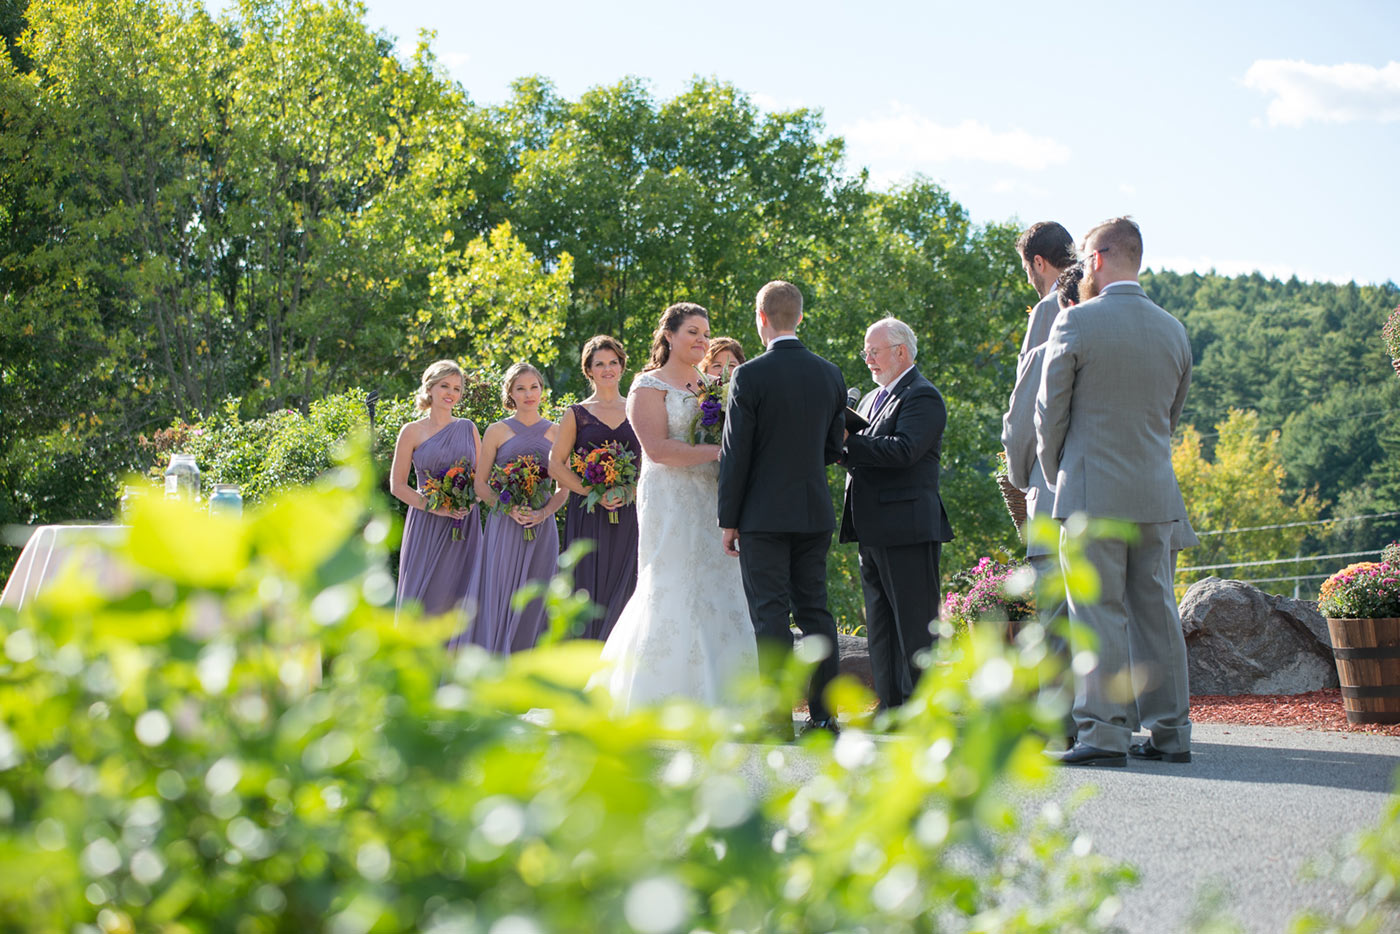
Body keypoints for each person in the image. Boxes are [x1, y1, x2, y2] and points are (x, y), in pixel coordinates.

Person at [1035, 216, 1194, 767]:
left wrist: (1057, 474)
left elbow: (1048, 413)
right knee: (1158, 613)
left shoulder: (1076, 324)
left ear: (1097, 258)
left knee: (1097, 612)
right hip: (1155, 493)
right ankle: (1172, 733)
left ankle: (1103, 734)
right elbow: (1171, 416)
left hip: (1091, 493)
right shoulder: (1174, 330)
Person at [594, 303, 758, 712]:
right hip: (670, 499)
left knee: (720, 583)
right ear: (669, 335)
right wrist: (722, 450)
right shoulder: (648, 386)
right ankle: (657, 696)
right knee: (672, 582)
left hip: (711, 498)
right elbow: (659, 450)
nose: (702, 340)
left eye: (706, 333)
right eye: (693, 332)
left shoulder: (712, 385)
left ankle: (727, 699)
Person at [718, 281, 847, 734]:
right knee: (816, 610)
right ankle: (826, 715)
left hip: (762, 515)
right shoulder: (830, 373)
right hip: (813, 511)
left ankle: (774, 720)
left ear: (761, 318)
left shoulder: (749, 375)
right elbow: (835, 447)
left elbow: (736, 454)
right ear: (800, 317)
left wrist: (728, 519)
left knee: (770, 614)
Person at [840, 317, 954, 711]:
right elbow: (857, 453)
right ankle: (889, 709)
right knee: (881, 627)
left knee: (914, 626)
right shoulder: (871, 399)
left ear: (900, 352)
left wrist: (849, 444)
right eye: (866, 352)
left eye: (875, 351)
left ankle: (922, 711)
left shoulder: (922, 396)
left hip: (907, 528)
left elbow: (905, 449)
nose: (868, 359)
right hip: (869, 527)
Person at [464, 363, 569, 654]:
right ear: (510, 393)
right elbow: (481, 485)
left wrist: (543, 513)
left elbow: (564, 488)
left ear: (541, 390)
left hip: (542, 527)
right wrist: (508, 509)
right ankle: (496, 664)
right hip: (505, 526)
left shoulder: (558, 432)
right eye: (520, 388)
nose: (528, 394)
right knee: (502, 594)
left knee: (539, 597)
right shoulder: (496, 431)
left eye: (533, 387)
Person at [548, 335, 640, 641]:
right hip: (588, 514)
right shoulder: (576, 413)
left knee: (627, 584)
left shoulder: (638, 409)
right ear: (588, 370)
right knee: (587, 585)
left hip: (630, 514)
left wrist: (628, 492)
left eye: (613, 362)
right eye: (599, 364)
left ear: (623, 366)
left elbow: (653, 465)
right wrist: (593, 494)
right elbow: (557, 465)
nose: (607, 369)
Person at [390, 360, 485, 620]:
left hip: (465, 523)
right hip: (427, 523)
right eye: (444, 386)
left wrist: (470, 500)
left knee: (462, 599)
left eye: (456, 388)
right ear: (430, 388)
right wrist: (437, 508)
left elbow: (481, 478)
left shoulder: (468, 428)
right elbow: (397, 486)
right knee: (424, 600)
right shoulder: (411, 431)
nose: (450, 393)